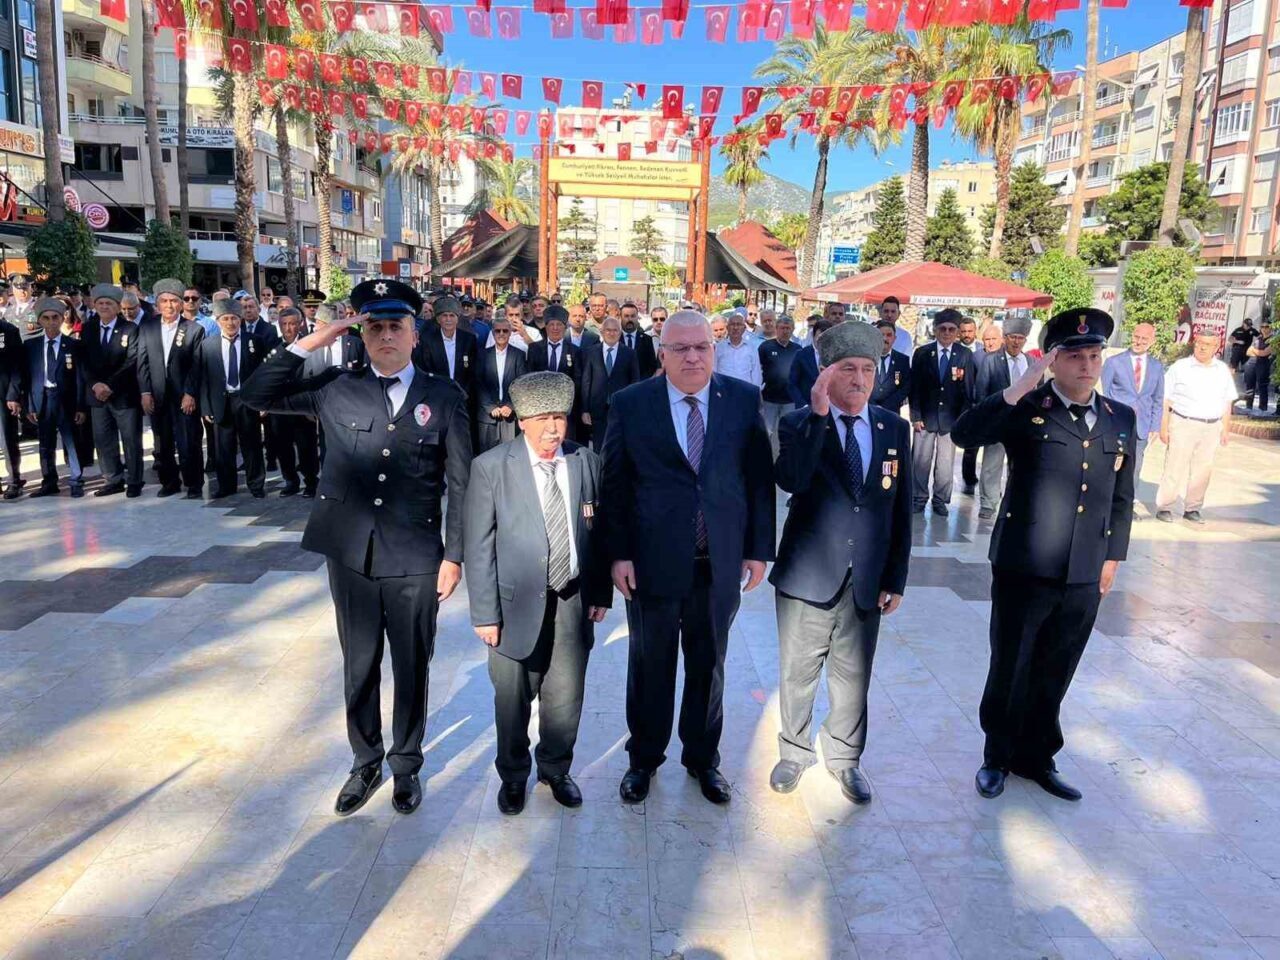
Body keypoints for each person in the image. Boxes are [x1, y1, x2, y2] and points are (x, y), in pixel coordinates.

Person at [241, 278, 471, 817]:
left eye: (396, 326)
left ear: (416, 334)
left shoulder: (445, 396)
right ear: (361, 334)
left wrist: (454, 555)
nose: (386, 335)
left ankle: (406, 765)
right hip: (351, 553)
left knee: (412, 664)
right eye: (375, 326)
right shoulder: (336, 387)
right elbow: (255, 396)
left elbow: (460, 483)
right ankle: (364, 762)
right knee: (360, 663)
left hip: (415, 555)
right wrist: (308, 343)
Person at [953, 308, 1135, 803]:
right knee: (1011, 664)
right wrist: (1017, 389)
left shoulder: (1121, 418)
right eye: (1075, 356)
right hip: (1024, 564)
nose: (1087, 365)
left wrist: (1112, 557)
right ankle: (997, 756)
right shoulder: (1027, 408)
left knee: (1058, 665)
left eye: (1094, 356)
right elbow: (965, 434)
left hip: (1084, 570)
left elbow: (1121, 497)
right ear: (1053, 362)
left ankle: (1037, 757)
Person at [602, 310, 775, 806]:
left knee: (709, 666)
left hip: (717, 562)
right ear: (663, 354)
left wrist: (759, 550)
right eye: (680, 348)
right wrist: (619, 554)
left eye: (701, 346)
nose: (693, 356)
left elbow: (758, 481)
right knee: (651, 666)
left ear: (714, 348)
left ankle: (703, 759)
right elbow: (613, 486)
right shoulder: (631, 404)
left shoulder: (742, 400)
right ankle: (644, 759)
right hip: (652, 564)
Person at [769, 322, 912, 804]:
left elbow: (901, 508)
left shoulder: (893, 428)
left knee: (854, 675)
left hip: (866, 576)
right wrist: (817, 416)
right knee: (798, 670)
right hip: (808, 575)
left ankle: (846, 758)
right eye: (847, 369)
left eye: (868, 370)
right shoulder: (797, 423)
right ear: (824, 375)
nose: (859, 379)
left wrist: (896, 577)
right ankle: (793, 752)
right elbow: (792, 479)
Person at [464, 372, 611, 814]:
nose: (553, 428)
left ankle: (555, 767)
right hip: (512, 605)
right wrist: (484, 614)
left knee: (565, 697)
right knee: (511, 699)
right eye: (543, 418)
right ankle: (513, 775)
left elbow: (598, 533)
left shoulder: (586, 461)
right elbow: (478, 545)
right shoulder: (491, 467)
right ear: (522, 421)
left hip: (571, 598)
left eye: (560, 418)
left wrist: (599, 592)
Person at [1155, 332, 1238, 525]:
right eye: (1199, 343)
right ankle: (1165, 506)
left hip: (1211, 426)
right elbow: (1165, 399)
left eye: (1208, 344)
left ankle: (1192, 508)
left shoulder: (1222, 370)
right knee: (1174, 466)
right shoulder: (1180, 367)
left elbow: (1227, 401)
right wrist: (1164, 426)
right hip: (1183, 422)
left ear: (1216, 347)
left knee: (1203, 470)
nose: (1202, 347)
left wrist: (1225, 429)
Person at [138, 279, 206, 499]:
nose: (169, 305)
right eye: (164, 301)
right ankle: (169, 482)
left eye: (174, 301)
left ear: (181, 304)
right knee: (162, 441)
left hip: (183, 395)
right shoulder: (147, 327)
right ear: (157, 304)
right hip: (157, 395)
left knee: (189, 441)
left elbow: (197, 364)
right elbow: (142, 362)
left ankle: (194, 483)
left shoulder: (194, 329)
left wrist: (190, 393)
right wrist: (145, 392)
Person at [908, 309, 975, 516]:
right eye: (942, 329)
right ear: (935, 330)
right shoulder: (922, 353)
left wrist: (962, 420)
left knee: (945, 464)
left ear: (957, 332)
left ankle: (940, 500)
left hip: (951, 419)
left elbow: (968, 390)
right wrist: (916, 416)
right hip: (925, 418)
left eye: (951, 329)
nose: (946, 333)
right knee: (920, 460)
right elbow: (914, 387)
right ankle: (918, 498)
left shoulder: (965, 355)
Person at [82, 284, 146, 498]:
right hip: (97, 395)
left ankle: (135, 480)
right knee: (103, 439)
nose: (104, 306)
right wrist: (95, 384)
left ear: (118, 307)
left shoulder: (130, 329)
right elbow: (84, 361)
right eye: (100, 303)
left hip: (123, 394)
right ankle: (113, 479)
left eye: (109, 303)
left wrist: (109, 385)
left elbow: (132, 361)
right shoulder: (89, 328)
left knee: (130, 439)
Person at [971, 317, 1033, 520]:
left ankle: (1016, 501)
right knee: (992, 464)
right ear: (1005, 338)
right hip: (998, 422)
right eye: (1012, 337)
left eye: (1020, 338)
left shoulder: (1031, 363)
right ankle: (988, 503)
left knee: (1022, 465)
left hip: (1024, 424)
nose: (1016, 342)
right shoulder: (991, 361)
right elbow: (981, 393)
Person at [23, 299, 86, 497]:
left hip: (65, 399)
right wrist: (30, 406)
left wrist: (80, 407)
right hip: (42, 397)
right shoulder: (31, 345)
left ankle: (76, 480)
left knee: (71, 441)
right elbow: (28, 378)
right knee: (45, 442)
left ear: (62, 319)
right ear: (40, 320)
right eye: (46, 318)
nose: (51, 322)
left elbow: (80, 379)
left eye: (55, 317)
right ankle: (49, 481)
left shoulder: (73, 345)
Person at [1100, 322, 1165, 497]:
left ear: (1152, 341)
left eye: (1145, 338)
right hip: (1117, 424)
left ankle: (1128, 503)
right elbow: (1103, 394)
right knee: (1112, 463)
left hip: (1142, 426)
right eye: (1137, 337)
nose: (1139, 341)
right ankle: (1107, 500)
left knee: (1135, 466)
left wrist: (1155, 427)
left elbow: (1158, 399)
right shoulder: (1114, 362)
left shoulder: (1157, 367)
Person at [272, 309, 320, 498]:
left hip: (302, 406)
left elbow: (316, 374)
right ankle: (290, 481)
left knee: (306, 446)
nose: (289, 328)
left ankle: (311, 482)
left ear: (300, 323)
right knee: (283, 446)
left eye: (293, 323)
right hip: (279, 406)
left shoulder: (310, 345)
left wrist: (312, 405)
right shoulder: (273, 346)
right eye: (284, 324)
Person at [580, 315, 640, 450]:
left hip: (620, 408)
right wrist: (585, 410)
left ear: (620, 332)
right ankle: (599, 470)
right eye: (608, 330)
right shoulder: (591, 352)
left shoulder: (629, 354)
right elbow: (586, 382)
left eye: (615, 330)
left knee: (618, 446)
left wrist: (633, 408)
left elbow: (635, 382)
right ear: (602, 332)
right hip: (597, 409)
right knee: (598, 447)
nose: (611, 333)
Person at [474, 315, 527, 453]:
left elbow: (521, 383)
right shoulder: (482, 355)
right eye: (498, 331)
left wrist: (510, 405)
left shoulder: (519, 355)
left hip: (510, 416)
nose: (501, 334)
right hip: (487, 415)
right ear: (493, 333)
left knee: (510, 455)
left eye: (505, 331)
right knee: (486, 456)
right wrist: (490, 407)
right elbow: (478, 383)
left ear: (510, 333)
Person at [413, 296, 478, 399]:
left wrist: (464, 391)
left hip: (463, 396)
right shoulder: (427, 340)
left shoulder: (468, 339)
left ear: (457, 319)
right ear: (438, 319)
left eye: (452, 316)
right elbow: (424, 369)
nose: (448, 319)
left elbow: (473, 370)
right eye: (444, 315)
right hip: (437, 396)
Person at [758, 315, 802, 456]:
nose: (785, 331)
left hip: (789, 399)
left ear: (793, 330)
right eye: (782, 328)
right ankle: (764, 460)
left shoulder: (798, 349)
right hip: (769, 398)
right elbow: (757, 369)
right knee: (766, 433)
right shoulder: (765, 347)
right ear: (776, 329)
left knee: (788, 432)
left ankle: (785, 460)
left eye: (788, 328)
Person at [0, 308, 24, 499]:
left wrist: (13, 395)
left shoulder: (8, 331)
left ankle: (13, 481)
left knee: (8, 440)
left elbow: (17, 367)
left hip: (4, 396)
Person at [788, 315, 833, 406]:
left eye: (827, 337)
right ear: (813, 335)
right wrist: (802, 404)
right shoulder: (801, 355)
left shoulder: (836, 356)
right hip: (805, 407)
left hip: (830, 408)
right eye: (819, 336)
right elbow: (792, 383)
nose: (823, 340)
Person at [870, 318, 911, 414]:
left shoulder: (902, 360)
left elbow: (906, 386)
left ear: (894, 338)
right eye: (881, 335)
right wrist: (872, 404)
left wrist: (888, 404)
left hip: (892, 411)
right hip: (868, 409)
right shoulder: (867, 358)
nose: (885, 338)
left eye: (889, 335)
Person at [714, 311, 763, 387]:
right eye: (732, 324)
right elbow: (714, 371)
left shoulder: (751, 348)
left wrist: (756, 393)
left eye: (739, 324)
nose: (735, 328)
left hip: (745, 392)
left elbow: (756, 373)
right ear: (727, 328)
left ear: (744, 328)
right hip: (724, 392)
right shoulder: (719, 348)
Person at [619, 303, 659, 378]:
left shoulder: (647, 340)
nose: (630, 319)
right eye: (626, 316)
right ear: (620, 317)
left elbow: (652, 366)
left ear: (637, 317)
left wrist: (640, 383)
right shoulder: (615, 339)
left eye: (633, 316)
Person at [1241, 322, 1273, 413]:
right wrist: (1258, 352)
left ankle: (1262, 408)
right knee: (1249, 385)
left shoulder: (1273, 340)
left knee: (1262, 385)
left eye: (1266, 326)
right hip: (1251, 363)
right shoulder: (1257, 339)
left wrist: (1254, 351)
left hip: (1263, 364)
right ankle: (1248, 406)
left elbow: (1264, 353)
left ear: (1271, 328)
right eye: (1262, 326)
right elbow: (1248, 352)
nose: (1264, 328)